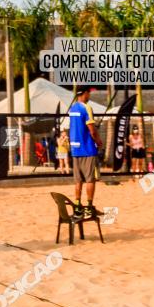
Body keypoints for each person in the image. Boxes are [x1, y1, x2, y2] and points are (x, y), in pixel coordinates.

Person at [68, 87, 104, 218]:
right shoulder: (86, 107)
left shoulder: (72, 108)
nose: (89, 95)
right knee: (90, 180)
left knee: (78, 180)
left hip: (75, 149)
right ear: (84, 93)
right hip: (87, 148)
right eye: (89, 93)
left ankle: (78, 207)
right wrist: (99, 141)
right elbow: (92, 130)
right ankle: (89, 208)